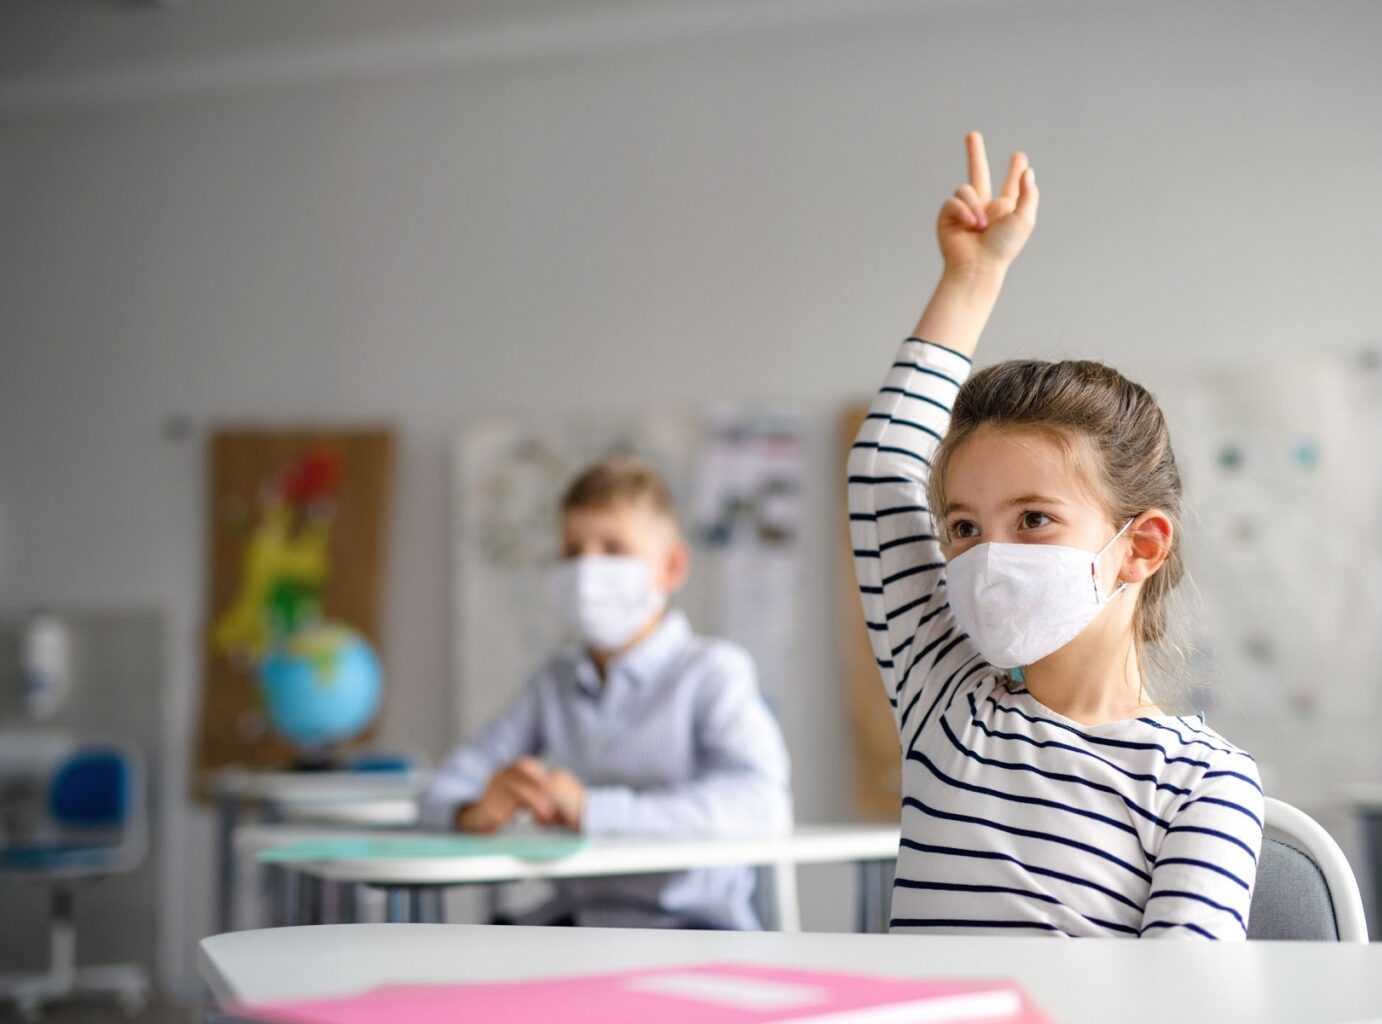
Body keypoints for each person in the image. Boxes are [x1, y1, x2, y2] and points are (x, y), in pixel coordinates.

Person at [849, 132, 1263, 939]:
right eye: (963, 526)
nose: (988, 555)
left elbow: (1180, 995)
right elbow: (882, 472)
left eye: (1033, 519)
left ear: (1142, 546)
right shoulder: (947, 700)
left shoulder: (1203, 782)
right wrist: (971, 277)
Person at [419, 457, 792, 929]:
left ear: (672, 566)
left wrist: (593, 810)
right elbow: (438, 791)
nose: (587, 570)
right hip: (581, 926)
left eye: (614, 549)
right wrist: (472, 812)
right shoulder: (554, 682)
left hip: (693, 929)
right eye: (572, 551)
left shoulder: (714, 672)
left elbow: (761, 805)